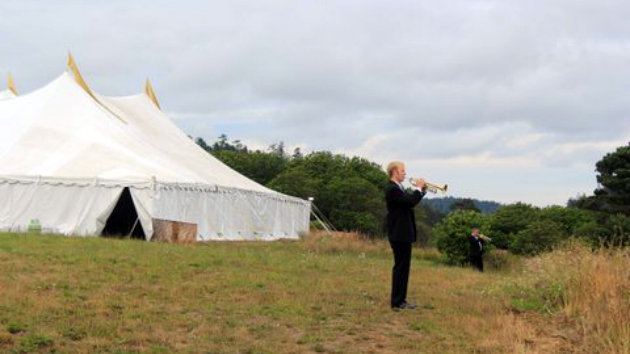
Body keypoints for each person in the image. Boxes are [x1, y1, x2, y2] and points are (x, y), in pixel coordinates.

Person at [385, 161, 426, 310]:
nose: (405, 173)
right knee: (401, 268)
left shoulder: (398, 188)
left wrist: (421, 191)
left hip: (402, 234)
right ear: (395, 171)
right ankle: (397, 302)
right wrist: (418, 188)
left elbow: (411, 200)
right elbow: (410, 202)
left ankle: (401, 300)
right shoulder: (392, 189)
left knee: (404, 268)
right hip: (399, 234)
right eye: (403, 170)